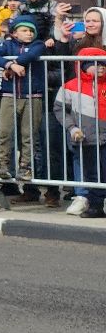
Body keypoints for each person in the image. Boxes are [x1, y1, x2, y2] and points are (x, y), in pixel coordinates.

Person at [0, 17, 48, 204]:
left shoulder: (38, 44)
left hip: (33, 96)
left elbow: (34, 54)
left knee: (28, 134)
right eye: (24, 30)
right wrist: (9, 65)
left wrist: (16, 63)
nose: (29, 33)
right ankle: (3, 166)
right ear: (14, 33)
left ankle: (25, 167)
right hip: (9, 95)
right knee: (4, 132)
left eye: (31, 31)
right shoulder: (7, 45)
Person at [54, 47, 106, 218]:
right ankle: (96, 206)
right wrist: (72, 128)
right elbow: (60, 109)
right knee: (92, 175)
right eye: (96, 64)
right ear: (83, 66)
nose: (101, 68)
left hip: (104, 138)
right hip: (85, 139)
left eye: (104, 65)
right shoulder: (70, 86)